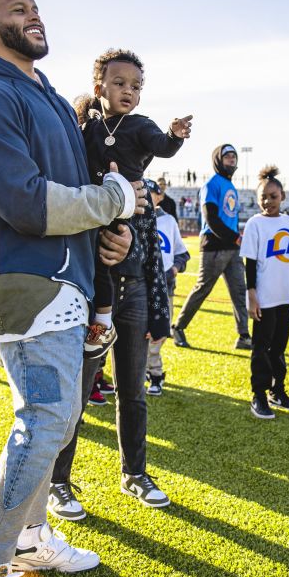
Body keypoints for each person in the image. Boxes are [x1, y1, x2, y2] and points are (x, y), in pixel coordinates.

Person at [0, 0, 145, 577]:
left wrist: (106, 238)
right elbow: (28, 203)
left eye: (34, 6)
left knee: (56, 426)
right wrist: (113, 203)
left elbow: (75, 192)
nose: (32, 15)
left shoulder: (44, 93)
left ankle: (29, 537)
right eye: (15, 9)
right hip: (25, 284)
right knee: (47, 420)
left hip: (66, 278)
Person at [76, 48, 192, 356]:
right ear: (99, 88)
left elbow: (163, 146)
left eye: (135, 86)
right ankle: (99, 321)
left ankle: (102, 321)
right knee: (91, 261)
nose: (128, 90)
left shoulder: (140, 125)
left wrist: (174, 134)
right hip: (90, 209)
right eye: (119, 83)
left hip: (127, 211)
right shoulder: (87, 128)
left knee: (105, 258)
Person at [240, 167, 289, 419]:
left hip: (285, 297)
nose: (268, 201)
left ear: (283, 196)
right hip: (265, 298)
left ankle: (277, 391)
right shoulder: (255, 224)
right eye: (264, 197)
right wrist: (252, 296)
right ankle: (259, 393)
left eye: (273, 196)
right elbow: (251, 264)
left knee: (279, 347)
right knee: (262, 347)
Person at [171, 144, 251, 350]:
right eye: (227, 157)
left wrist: (235, 239)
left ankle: (243, 336)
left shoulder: (230, 186)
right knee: (203, 289)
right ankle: (178, 327)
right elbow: (211, 218)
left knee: (239, 291)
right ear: (218, 160)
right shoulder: (211, 184)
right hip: (215, 247)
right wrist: (234, 237)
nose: (232, 160)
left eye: (234, 156)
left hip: (232, 248)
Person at [147, 182, 190, 395]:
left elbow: (182, 254)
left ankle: (155, 374)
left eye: (152, 193)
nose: (148, 196)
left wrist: (173, 270)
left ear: (160, 196)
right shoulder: (134, 218)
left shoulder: (168, 221)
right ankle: (148, 372)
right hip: (140, 287)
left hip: (165, 289)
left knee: (159, 332)